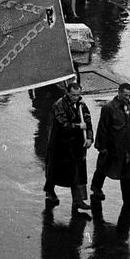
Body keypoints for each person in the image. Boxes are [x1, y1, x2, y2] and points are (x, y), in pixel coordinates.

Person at [91, 83, 130, 213]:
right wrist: (102, 147)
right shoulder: (109, 108)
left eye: (129, 95)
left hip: (127, 145)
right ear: (119, 93)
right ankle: (96, 187)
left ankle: (129, 199)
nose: (127, 98)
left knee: (127, 173)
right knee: (104, 166)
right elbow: (103, 128)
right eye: (125, 95)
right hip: (112, 145)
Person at [44, 81, 92, 213]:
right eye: (73, 95)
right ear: (67, 93)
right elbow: (63, 123)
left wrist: (89, 138)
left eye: (78, 95)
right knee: (55, 170)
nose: (76, 97)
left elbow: (87, 121)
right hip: (61, 144)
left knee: (76, 172)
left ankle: (77, 200)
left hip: (76, 145)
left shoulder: (81, 105)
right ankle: (50, 191)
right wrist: (78, 127)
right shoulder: (59, 105)